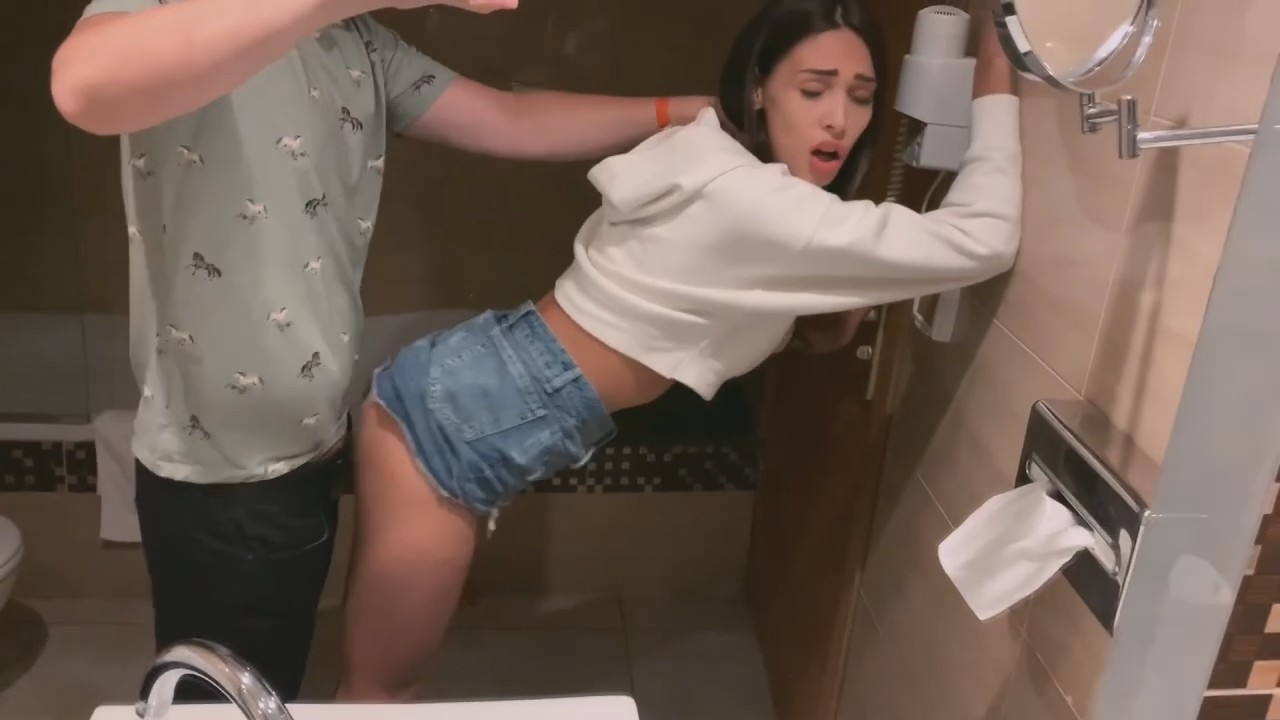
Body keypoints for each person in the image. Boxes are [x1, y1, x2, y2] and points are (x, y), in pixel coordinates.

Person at [339, 0, 1021, 702]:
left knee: (379, 691)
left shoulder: (713, 156)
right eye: (814, 90)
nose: (839, 120)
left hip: (453, 393)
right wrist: (998, 71)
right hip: (446, 430)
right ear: (759, 88)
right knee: (378, 697)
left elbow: (746, 298)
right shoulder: (756, 201)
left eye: (861, 96)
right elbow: (985, 238)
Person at [50, 0, 714, 701]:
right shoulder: (178, 10)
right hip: (216, 475)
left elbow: (512, 118)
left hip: (309, 446)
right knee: (220, 705)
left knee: (268, 690)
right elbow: (82, 87)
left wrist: (679, 111)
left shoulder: (358, 44)